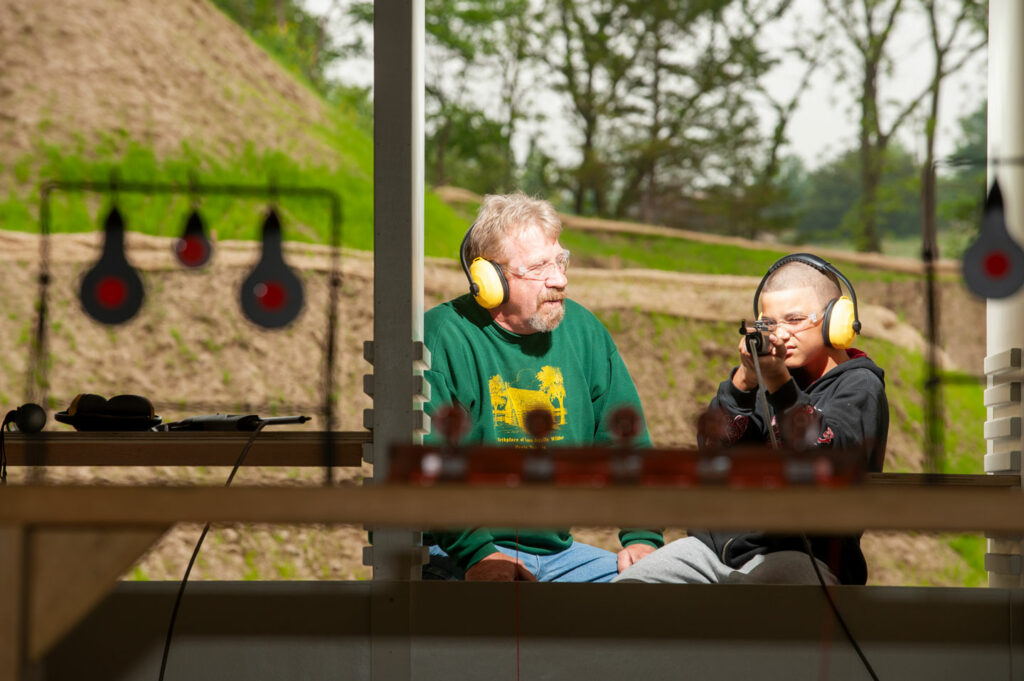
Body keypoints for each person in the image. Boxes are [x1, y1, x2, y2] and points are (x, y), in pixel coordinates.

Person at [422, 192, 663, 582]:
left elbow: (628, 444)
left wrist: (643, 537)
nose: (560, 279)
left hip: (559, 554)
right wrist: (478, 555)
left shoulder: (584, 332)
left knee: (659, 597)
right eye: (539, 267)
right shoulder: (442, 337)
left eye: (560, 261)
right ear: (489, 280)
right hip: (455, 552)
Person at [615, 253, 888, 586]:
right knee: (626, 594)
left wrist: (779, 385)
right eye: (770, 324)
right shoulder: (766, 377)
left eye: (795, 320)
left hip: (802, 556)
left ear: (837, 322)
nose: (781, 335)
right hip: (713, 550)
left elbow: (825, 455)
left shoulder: (860, 386)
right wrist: (744, 381)